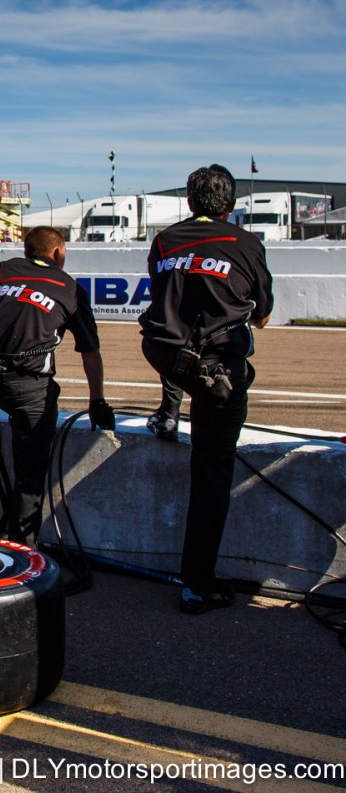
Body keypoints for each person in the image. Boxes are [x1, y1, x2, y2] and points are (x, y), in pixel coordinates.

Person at [139, 164, 272, 615]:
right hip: (217, 370)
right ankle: (198, 583)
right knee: (212, 470)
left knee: (181, 354)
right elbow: (262, 312)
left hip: (165, 355)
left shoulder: (163, 241)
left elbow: (167, 298)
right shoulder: (246, 241)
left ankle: (168, 411)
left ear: (191, 202)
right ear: (230, 205)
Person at [0, 226, 115, 547]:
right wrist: (98, 401)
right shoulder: (71, 288)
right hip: (26, 387)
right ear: (59, 253)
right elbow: (90, 351)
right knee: (31, 477)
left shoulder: (4, 270)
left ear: (27, 251)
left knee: (25, 409)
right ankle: (24, 553)